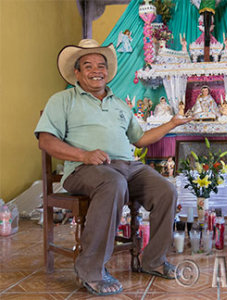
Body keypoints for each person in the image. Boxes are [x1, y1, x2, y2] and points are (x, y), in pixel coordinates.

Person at [34, 39, 192, 296]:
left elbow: (140, 139)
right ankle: (91, 270)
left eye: (101, 65)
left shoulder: (119, 104)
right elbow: (46, 140)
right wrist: (84, 154)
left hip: (128, 166)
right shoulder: (63, 100)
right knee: (112, 182)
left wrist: (173, 123)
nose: (96, 70)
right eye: (88, 66)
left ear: (107, 71)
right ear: (77, 72)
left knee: (166, 191)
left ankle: (152, 261)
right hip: (84, 169)